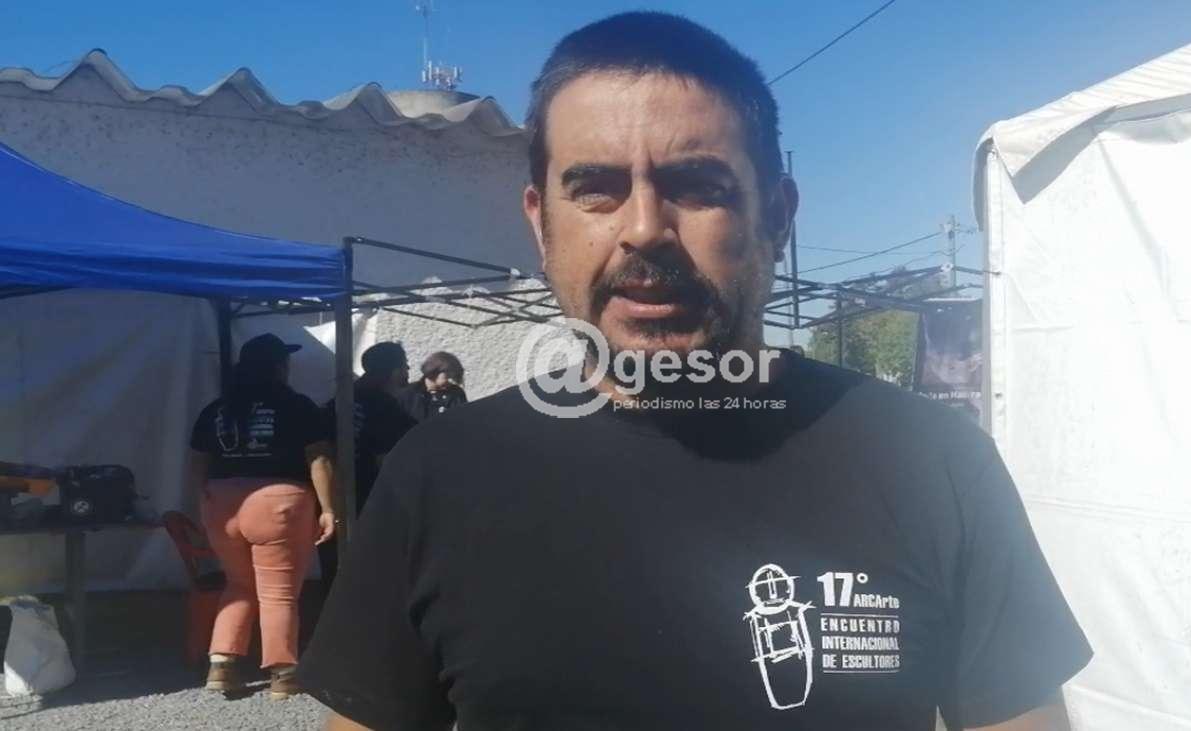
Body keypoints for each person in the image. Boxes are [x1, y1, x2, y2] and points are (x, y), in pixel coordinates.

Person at [301, 13, 1091, 731]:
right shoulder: (439, 476)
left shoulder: (932, 461)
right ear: (541, 223)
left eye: (696, 186)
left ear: (776, 215)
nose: (645, 228)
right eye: (597, 188)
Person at [187, 333, 335, 700]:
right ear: (279, 366)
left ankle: (221, 664)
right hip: (278, 501)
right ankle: (283, 673)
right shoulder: (296, 405)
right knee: (278, 593)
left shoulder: (218, 408)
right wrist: (329, 508)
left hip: (222, 503)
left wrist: (204, 498)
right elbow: (318, 458)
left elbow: (198, 460)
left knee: (238, 584)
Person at [319, 342, 418, 591]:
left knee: (337, 572)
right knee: (372, 571)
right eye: (405, 366)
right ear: (394, 371)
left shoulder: (339, 400)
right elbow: (394, 455)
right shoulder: (384, 406)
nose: (408, 372)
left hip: (333, 495)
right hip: (368, 496)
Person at [398, 351, 468, 422]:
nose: (452, 381)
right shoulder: (409, 394)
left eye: (454, 377)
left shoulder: (457, 394)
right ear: (433, 371)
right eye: (448, 376)